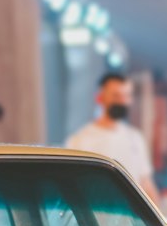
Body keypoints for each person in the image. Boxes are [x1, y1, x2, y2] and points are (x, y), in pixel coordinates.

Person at [66, 71, 159, 202]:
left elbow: (147, 184)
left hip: (133, 218)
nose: (122, 101)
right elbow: (75, 188)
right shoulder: (80, 141)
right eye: (116, 96)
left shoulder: (135, 138)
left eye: (126, 95)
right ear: (100, 98)